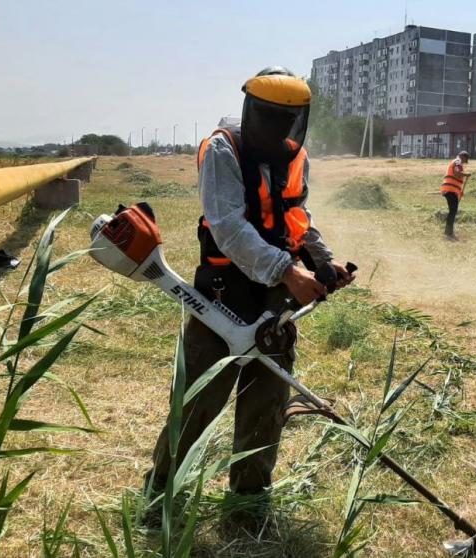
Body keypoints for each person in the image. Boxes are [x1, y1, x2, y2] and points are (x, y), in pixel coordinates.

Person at [146, 67, 354, 523]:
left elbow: (296, 214)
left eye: (287, 120)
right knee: (200, 396)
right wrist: (287, 271)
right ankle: (161, 493)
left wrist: (321, 261)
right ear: (249, 110)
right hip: (224, 293)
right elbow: (228, 227)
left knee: (268, 398)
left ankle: (248, 501)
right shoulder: (223, 149)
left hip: (274, 298)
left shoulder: (295, 156)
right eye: (267, 118)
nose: (277, 129)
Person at [440, 150, 471, 240]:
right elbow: (456, 173)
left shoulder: (457, 162)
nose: (465, 162)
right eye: (465, 160)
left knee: (452, 211)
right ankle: (448, 233)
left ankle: (448, 232)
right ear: (463, 156)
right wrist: (466, 174)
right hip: (450, 189)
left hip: (451, 189)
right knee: (453, 212)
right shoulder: (458, 161)